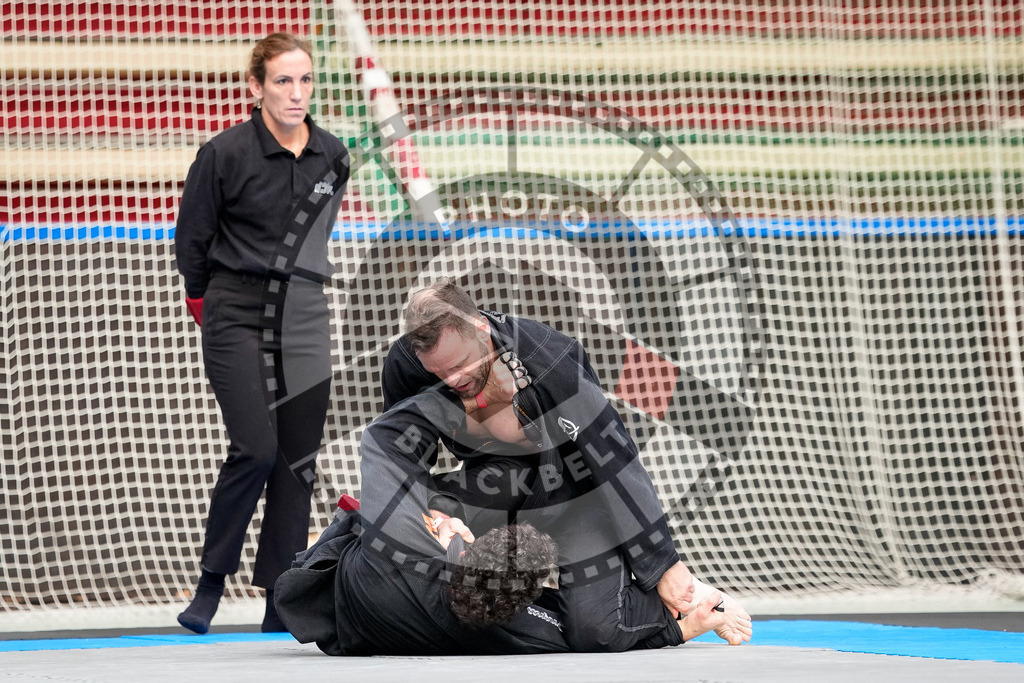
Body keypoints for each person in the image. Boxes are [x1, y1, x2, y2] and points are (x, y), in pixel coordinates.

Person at [273, 390, 751, 655]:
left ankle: (659, 571)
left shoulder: (395, 548)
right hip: (567, 504)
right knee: (594, 628)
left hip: (441, 540)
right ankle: (670, 591)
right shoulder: (512, 627)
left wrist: (430, 518)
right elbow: (589, 635)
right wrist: (684, 626)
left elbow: (370, 494)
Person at [379, 278, 704, 620]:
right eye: (439, 373)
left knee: (592, 625)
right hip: (499, 485)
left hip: (575, 495)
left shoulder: (547, 359)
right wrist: (425, 519)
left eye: (460, 365)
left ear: (480, 329)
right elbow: (404, 460)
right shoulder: (407, 365)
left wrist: (663, 563)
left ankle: (693, 610)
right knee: (418, 545)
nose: (452, 380)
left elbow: (612, 457)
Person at [173, 32, 349, 634]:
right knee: (255, 448)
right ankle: (210, 583)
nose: (296, 93)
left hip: (303, 317)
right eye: (282, 81)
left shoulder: (334, 155)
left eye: (304, 80)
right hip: (235, 312)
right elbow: (190, 243)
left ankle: (282, 598)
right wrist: (208, 303)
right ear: (256, 87)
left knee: (297, 462)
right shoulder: (223, 154)